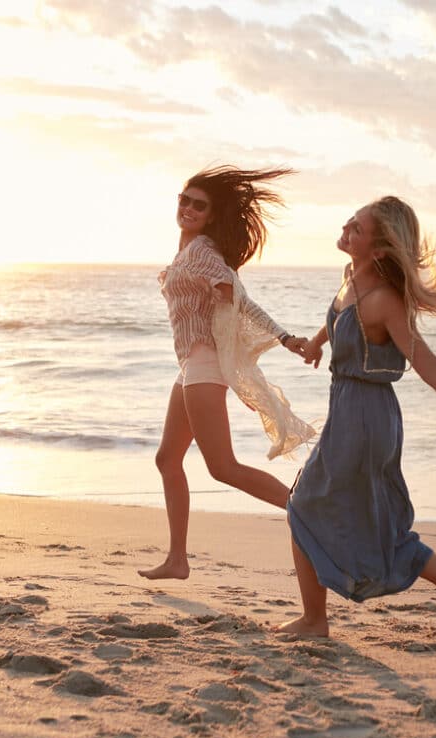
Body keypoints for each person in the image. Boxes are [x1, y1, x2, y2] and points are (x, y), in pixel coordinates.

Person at [280, 196, 436, 646]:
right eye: (349, 221)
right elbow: (338, 319)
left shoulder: (384, 301)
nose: (346, 228)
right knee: (335, 513)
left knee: (303, 504)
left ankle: (316, 619)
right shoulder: (352, 279)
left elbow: (426, 362)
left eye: (357, 229)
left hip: (366, 420)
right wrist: (316, 343)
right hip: (350, 412)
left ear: (377, 249)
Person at [141, 166, 315, 581]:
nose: (188, 208)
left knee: (222, 466)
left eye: (199, 205)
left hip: (203, 364)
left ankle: (307, 509)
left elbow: (240, 299)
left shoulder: (203, 253)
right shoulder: (186, 252)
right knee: (167, 458)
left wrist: (285, 337)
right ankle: (177, 559)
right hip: (189, 367)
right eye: (184, 199)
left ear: (210, 215)